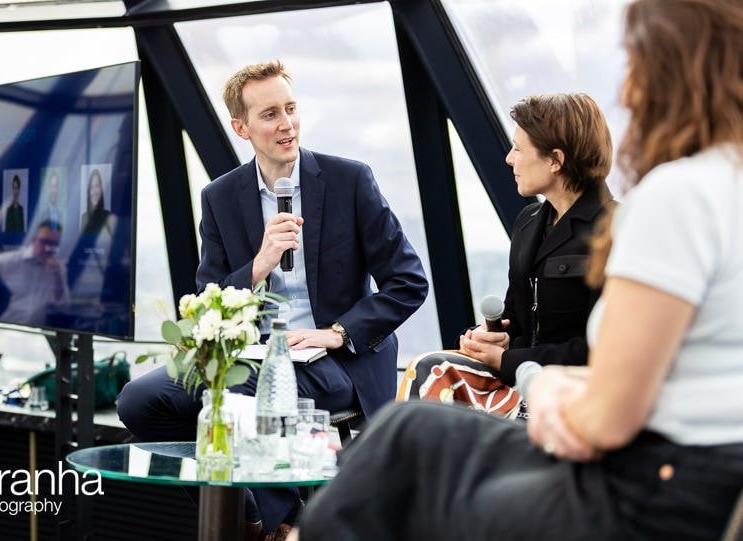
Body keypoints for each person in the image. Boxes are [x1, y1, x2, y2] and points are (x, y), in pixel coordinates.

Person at [294, 0, 743, 539]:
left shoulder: (675, 197)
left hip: (646, 491)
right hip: (705, 482)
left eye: (636, 65)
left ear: (669, 75)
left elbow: (607, 417)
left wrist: (536, 380)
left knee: (401, 447)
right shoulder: (720, 190)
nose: (627, 91)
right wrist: (504, 350)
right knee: (406, 427)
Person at [117, 60, 429, 538]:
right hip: (254, 352)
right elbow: (207, 298)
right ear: (241, 127)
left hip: (336, 356)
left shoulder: (350, 181)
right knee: (140, 401)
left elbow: (408, 283)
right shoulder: (220, 197)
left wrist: (336, 332)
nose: (286, 124)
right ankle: (257, 515)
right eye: (270, 115)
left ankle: (271, 524)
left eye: (290, 108)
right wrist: (259, 265)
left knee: (239, 395)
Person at [458, 93, 614, 389]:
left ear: (555, 160)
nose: (509, 158)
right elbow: (518, 316)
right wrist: (495, 338)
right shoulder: (528, 222)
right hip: (525, 386)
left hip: (577, 398)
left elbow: (605, 349)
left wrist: (508, 361)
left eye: (518, 149)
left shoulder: (616, 231)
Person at [0, 220, 70, 326]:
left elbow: (62, 306)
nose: (48, 248)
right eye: (44, 242)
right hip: (1, 326)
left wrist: (57, 275)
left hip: (33, 330)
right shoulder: (5, 261)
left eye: (54, 244)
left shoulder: (58, 269)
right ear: (34, 240)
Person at [80, 168, 113, 234]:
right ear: (89, 192)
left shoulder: (108, 216)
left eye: (97, 186)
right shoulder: (84, 217)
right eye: (92, 187)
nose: (94, 191)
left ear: (101, 190)